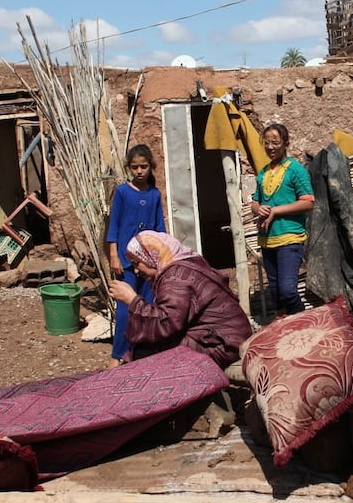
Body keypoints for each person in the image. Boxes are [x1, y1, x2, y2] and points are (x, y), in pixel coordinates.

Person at [107, 230, 252, 369]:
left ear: (150, 255)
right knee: (147, 347)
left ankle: (183, 392)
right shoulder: (183, 264)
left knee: (144, 352)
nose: (136, 271)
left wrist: (132, 300)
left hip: (222, 344)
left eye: (136, 263)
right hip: (225, 337)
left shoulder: (175, 277)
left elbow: (168, 323)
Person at [104, 144, 166, 368]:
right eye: (135, 167)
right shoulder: (122, 192)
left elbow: (160, 228)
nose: (139, 171)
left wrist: (161, 259)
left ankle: (143, 353)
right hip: (126, 261)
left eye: (144, 166)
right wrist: (113, 254)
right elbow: (114, 225)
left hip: (148, 263)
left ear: (151, 167)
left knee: (147, 307)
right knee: (124, 311)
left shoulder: (154, 195)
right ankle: (117, 355)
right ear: (128, 168)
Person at [251, 124, 315, 317]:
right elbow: (255, 201)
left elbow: (308, 202)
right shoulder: (263, 173)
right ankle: (284, 331)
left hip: (289, 237)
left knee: (288, 290)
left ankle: (304, 322)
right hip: (267, 239)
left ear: (286, 144)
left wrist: (276, 211)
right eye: (267, 142)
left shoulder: (295, 170)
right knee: (277, 293)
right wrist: (258, 208)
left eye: (275, 143)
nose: (270, 147)